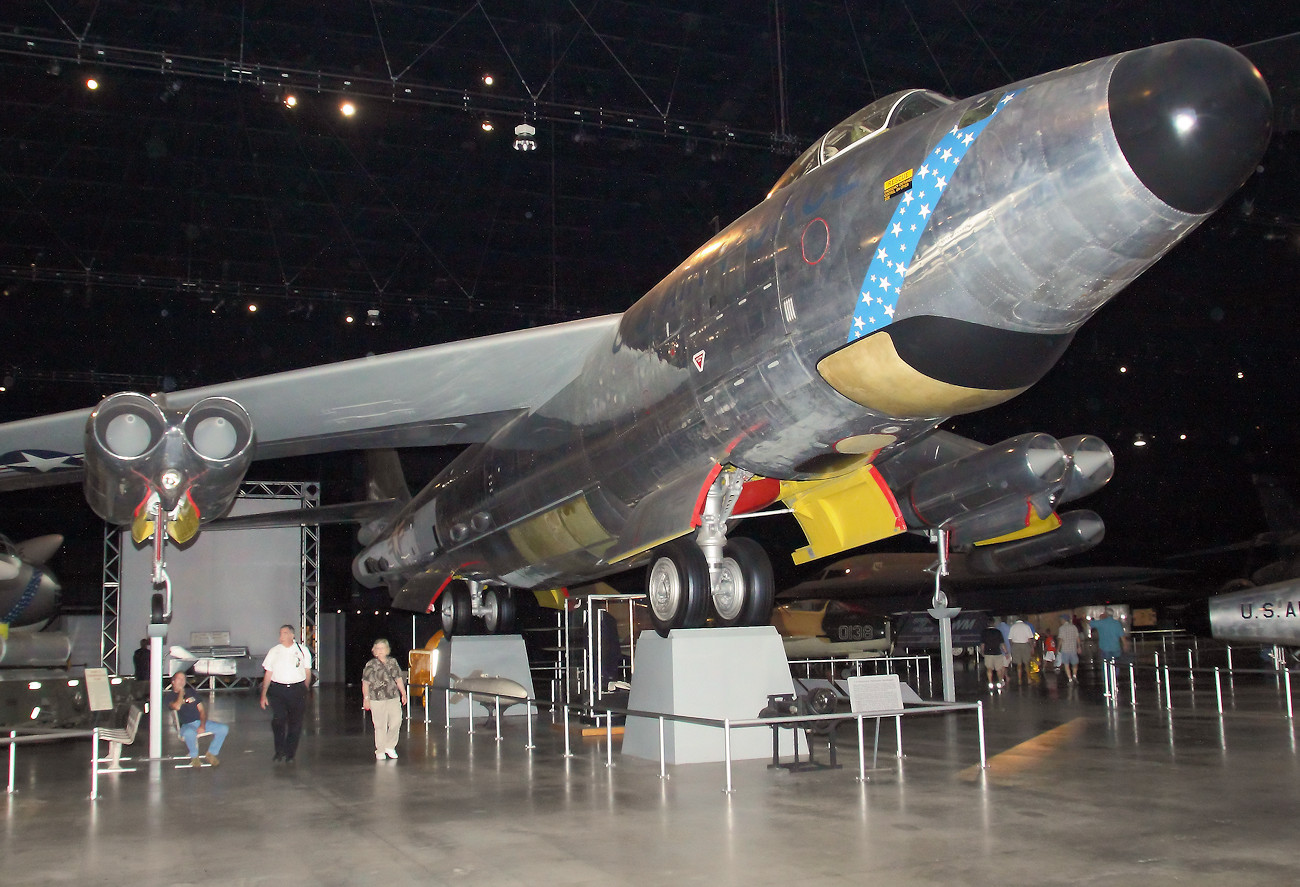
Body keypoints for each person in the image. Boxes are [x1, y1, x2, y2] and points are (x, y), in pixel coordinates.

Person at [260, 624, 313, 763]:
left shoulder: (302, 650)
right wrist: (263, 694)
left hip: (297, 689)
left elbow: (307, 671)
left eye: (284, 633)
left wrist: (304, 687)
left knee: (295, 723)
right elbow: (268, 673)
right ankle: (279, 751)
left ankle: (290, 753)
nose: (281, 636)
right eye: (280, 633)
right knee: (278, 720)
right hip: (278, 690)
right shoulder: (274, 651)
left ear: (291, 635)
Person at [165, 670, 228, 767]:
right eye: (179, 679)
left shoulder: (191, 692)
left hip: (199, 722)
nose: (182, 681)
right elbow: (177, 706)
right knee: (189, 733)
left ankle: (211, 753)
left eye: (184, 679)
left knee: (223, 728)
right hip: (186, 725)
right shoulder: (169, 696)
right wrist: (181, 692)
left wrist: (202, 725)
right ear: (173, 681)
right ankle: (194, 757)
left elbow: (202, 710)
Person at [361, 638, 407, 760]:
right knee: (380, 725)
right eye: (377, 648)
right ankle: (380, 749)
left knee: (396, 722)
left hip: (393, 696)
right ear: (374, 651)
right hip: (377, 698)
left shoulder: (392, 662)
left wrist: (403, 693)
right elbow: (365, 683)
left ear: (387, 649)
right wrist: (366, 698)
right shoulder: (371, 665)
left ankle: (390, 746)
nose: (380, 651)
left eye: (382, 648)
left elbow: (398, 678)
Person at [981, 618, 1007, 690]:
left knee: (989, 669)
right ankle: (999, 682)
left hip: (988, 653)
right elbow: (1002, 643)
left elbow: (983, 644)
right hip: (997, 652)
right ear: (994, 624)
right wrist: (1006, 652)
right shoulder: (998, 632)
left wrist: (982, 652)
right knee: (999, 669)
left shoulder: (984, 632)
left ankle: (990, 683)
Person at [1008, 617, 1035, 682]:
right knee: (1026, 663)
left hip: (1016, 645)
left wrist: (1012, 646)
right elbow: (1030, 638)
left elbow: (1010, 639)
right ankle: (1029, 679)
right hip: (1025, 645)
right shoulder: (1026, 626)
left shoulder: (1013, 627)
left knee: (1019, 664)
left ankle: (1019, 679)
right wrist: (1032, 647)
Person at [1056, 613, 1081, 682]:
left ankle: (1070, 679)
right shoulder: (1074, 627)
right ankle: (1074, 675)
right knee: (1075, 663)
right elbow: (1077, 637)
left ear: (1063, 620)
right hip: (1073, 648)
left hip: (1065, 649)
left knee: (1066, 664)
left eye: (1061, 619)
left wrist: (1058, 649)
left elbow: (1061, 639)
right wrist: (1079, 647)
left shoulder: (1061, 628)